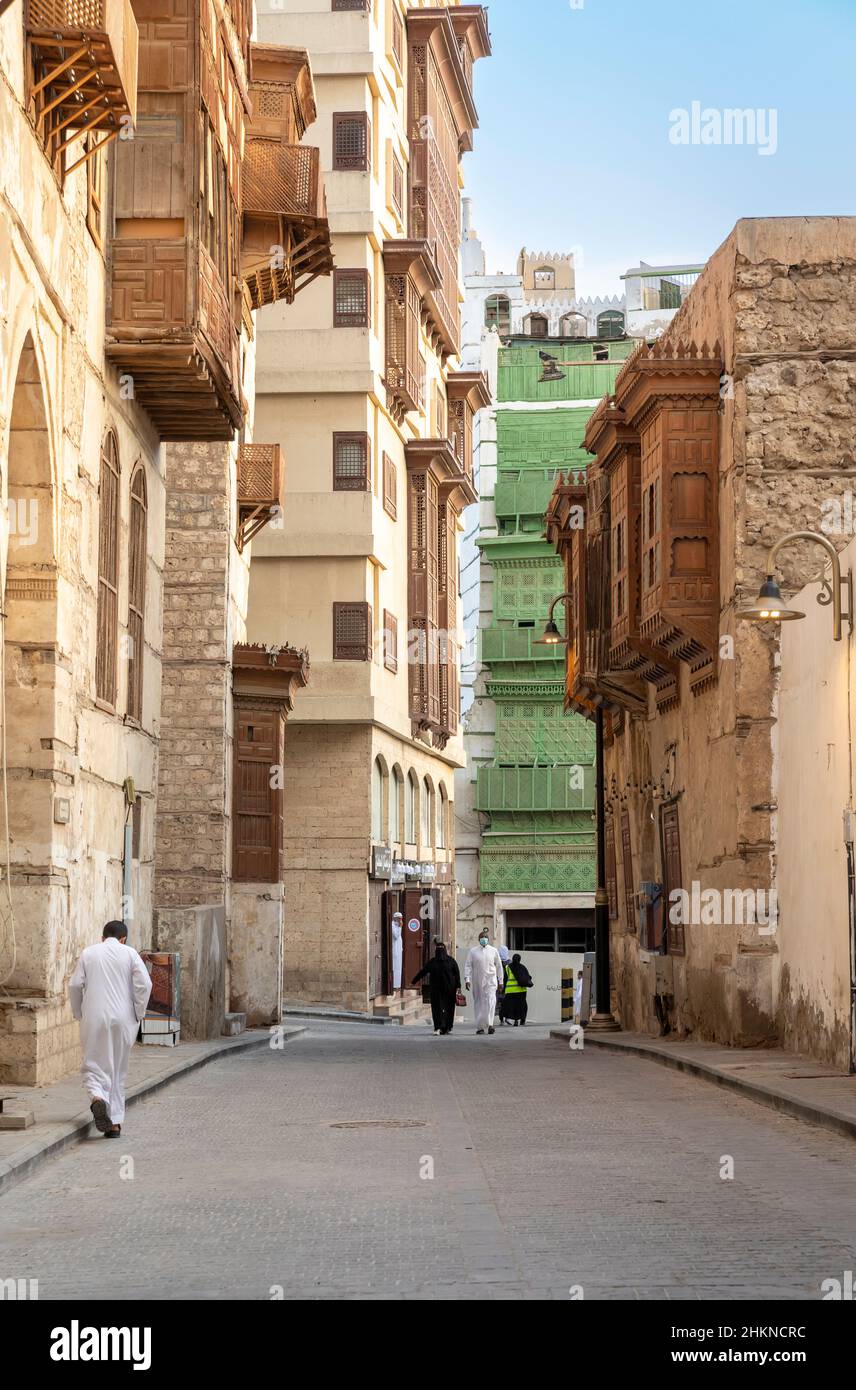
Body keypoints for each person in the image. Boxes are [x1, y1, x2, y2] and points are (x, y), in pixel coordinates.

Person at [68, 920, 153, 1138]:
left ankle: (97, 1097)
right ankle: (114, 1123)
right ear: (123, 938)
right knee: (117, 1068)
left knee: (94, 1063)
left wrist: (79, 1013)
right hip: (124, 1019)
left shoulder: (89, 953)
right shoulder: (130, 953)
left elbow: (75, 986)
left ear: (102, 937)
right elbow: (145, 984)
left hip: (94, 1017)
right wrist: (139, 1012)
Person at [412, 941, 461, 1035]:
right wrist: (458, 986)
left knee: (441, 1008)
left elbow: (423, 972)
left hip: (441, 989)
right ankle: (444, 1027)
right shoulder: (450, 961)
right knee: (444, 1008)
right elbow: (457, 974)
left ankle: (442, 1027)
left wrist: (413, 981)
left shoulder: (434, 962)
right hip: (445, 989)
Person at [464, 933, 504, 1035]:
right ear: (478, 939)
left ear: (488, 939)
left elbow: (499, 966)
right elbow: (468, 965)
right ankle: (480, 1027)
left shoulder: (494, 951)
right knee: (479, 1003)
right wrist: (467, 979)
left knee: (491, 1001)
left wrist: (501, 981)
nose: (484, 939)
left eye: (486, 937)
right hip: (477, 982)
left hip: (491, 981)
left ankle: (490, 1025)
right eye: (482, 937)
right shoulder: (473, 951)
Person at [503, 953, 534, 1026]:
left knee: (512, 1006)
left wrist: (503, 989)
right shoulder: (522, 967)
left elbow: (505, 979)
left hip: (511, 991)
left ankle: (514, 1020)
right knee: (522, 1005)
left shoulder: (508, 967)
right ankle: (522, 1020)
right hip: (522, 990)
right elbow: (528, 977)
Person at [391, 912, 404, 991]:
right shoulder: (392, 925)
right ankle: (394, 984)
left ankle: (397, 985)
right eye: (399, 918)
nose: (400, 920)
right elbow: (396, 936)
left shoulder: (397, 925)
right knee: (395, 967)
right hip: (395, 949)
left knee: (399, 968)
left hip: (399, 950)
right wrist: (400, 927)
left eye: (401, 918)